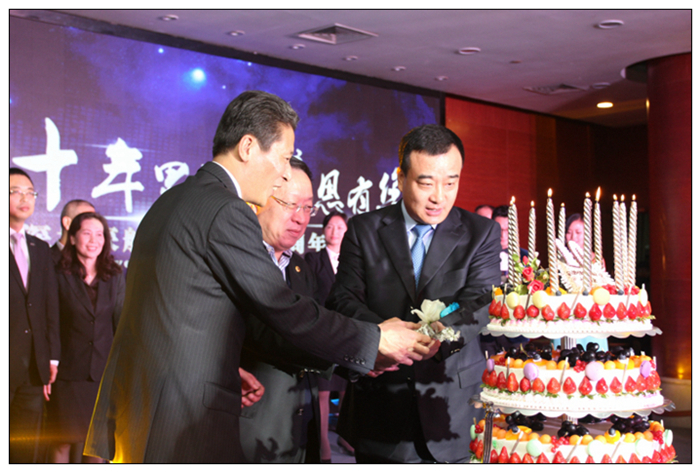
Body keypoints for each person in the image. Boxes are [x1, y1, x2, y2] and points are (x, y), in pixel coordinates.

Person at [84, 90, 431, 463]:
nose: (285, 172)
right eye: (284, 157)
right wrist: (373, 339)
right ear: (248, 146)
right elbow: (282, 306)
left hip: (145, 411)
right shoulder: (226, 210)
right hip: (186, 421)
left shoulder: (172, 201)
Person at [326, 124, 502, 463]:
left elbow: (480, 301)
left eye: (451, 182)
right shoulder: (364, 230)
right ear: (401, 178)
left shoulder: (481, 233)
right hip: (381, 402)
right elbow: (343, 299)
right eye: (426, 183)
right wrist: (383, 338)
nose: (439, 196)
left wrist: (437, 336)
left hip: (454, 409)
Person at [239, 157, 333, 463]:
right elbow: (277, 334)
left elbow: (317, 325)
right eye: (291, 205)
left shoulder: (301, 268)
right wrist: (355, 351)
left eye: (308, 208)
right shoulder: (239, 260)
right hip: (253, 427)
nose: (301, 218)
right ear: (259, 200)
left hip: (301, 429)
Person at [48, 212, 125, 463]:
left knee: (97, 445)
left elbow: (120, 321)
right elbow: (51, 321)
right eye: (87, 233)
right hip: (67, 373)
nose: (94, 240)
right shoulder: (58, 273)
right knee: (62, 439)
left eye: (99, 234)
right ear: (72, 238)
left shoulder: (115, 274)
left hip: (102, 374)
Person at [9, 168, 60, 463]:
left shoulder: (39, 248)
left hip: (33, 367)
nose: (24, 198)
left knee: (25, 449)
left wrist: (52, 357)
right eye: (15, 191)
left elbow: (49, 306)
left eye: (30, 192)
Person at [304, 210, 354, 461]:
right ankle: (323, 442)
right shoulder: (312, 260)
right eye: (330, 227)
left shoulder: (352, 261)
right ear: (323, 231)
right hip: (323, 333)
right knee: (323, 390)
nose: (335, 232)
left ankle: (346, 435)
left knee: (347, 389)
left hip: (347, 334)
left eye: (340, 228)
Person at [50, 199, 96, 264]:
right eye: (86, 220)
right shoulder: (45, 260)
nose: (92, 226)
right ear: (67, 223)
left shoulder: (97, 262)